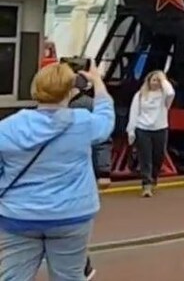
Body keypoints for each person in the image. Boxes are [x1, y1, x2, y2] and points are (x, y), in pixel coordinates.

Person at [0, 61, 113, 281]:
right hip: (71, 216)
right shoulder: (83, 122)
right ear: (70, 91)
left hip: (18, 215)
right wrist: (97, 82)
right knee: (69, 276)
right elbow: (106, 119)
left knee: (12, 277)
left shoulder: (7, 127)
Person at [69, 79, 114, 281]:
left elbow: (102, 140)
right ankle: (82, 266)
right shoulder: (88, 107)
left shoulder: (85, 106)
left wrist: (104, 171)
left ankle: (83, 266)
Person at [125, 69, 175, 197]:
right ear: (148, 81)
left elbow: (171, 93)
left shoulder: (164, 96)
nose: (155, 83)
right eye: (153, 80)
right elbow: (134, 112)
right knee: (145, 157)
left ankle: (153, 177)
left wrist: (163, 79)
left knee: (159, 156)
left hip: (160, 128)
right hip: (143, 129)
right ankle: (146, 184)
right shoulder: (140, 95)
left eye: (158, 80)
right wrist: (131, 130)